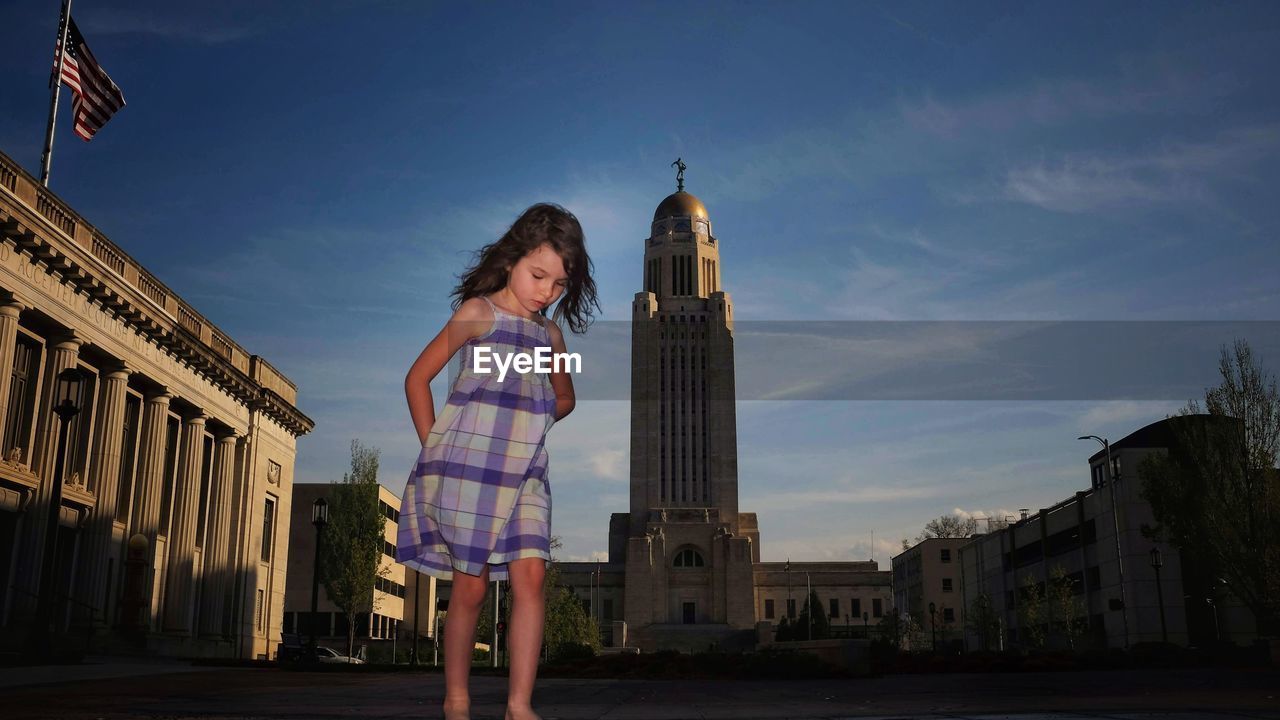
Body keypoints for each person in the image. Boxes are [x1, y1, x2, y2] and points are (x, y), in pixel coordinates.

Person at [396, 203, 598, 720]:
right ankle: (457, 698)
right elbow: (416, 379)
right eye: (538, 275)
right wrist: (434, 450)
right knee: (472, 587)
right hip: (468, 470)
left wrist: (529, 419)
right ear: (513, 258)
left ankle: (519, 705)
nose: (546, 292)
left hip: (527, 472)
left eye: (558, 284)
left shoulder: (550, 336)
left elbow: (566, 398)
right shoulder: (476, 313)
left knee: (531, 578)